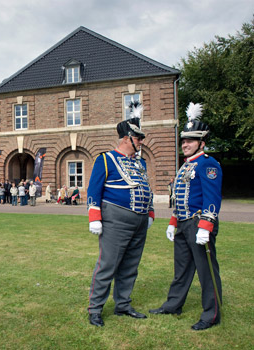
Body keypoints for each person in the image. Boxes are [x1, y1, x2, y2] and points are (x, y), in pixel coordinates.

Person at [149, 103, 223, 331]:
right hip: (183, 224)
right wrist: (173, 223)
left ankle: (212, 314)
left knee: (206, 271)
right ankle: (173, 305)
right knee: (181, 269)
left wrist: (206, 226)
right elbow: (179, 198)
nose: (185, 144)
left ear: (201, 142)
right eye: (183, 141)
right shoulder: (185, 167)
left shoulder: (208, 164)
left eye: (190, 140)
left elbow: (212, 197)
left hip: (198, 224)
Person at [86, 102, 154, 327]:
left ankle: (123, 304)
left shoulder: (140, 163)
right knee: (108, 265)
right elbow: (94, 190)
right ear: (127, 138)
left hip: (140, 220)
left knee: (130, 265)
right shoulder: (105, 159)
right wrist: (94, 218)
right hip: (116, 219)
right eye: (138, 138)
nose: (141, 141)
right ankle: (95, 308)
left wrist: (150, 211)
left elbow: (145, 187)